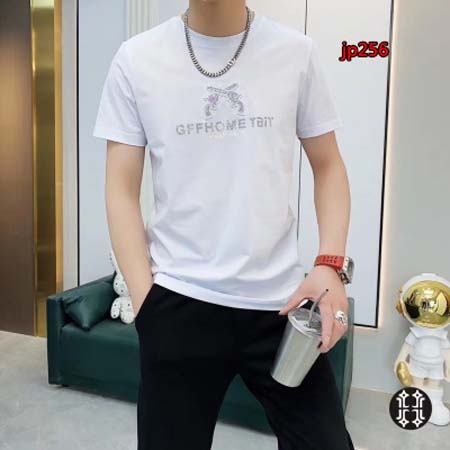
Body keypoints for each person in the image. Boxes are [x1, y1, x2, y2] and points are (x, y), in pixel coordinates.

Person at [93, 1, 355, 449]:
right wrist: (145, 302)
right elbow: (120, 190)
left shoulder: (295, 52)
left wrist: (330, 264)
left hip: (279, 306)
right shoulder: (136, 59)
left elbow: (328, 164)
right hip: (179, 304)